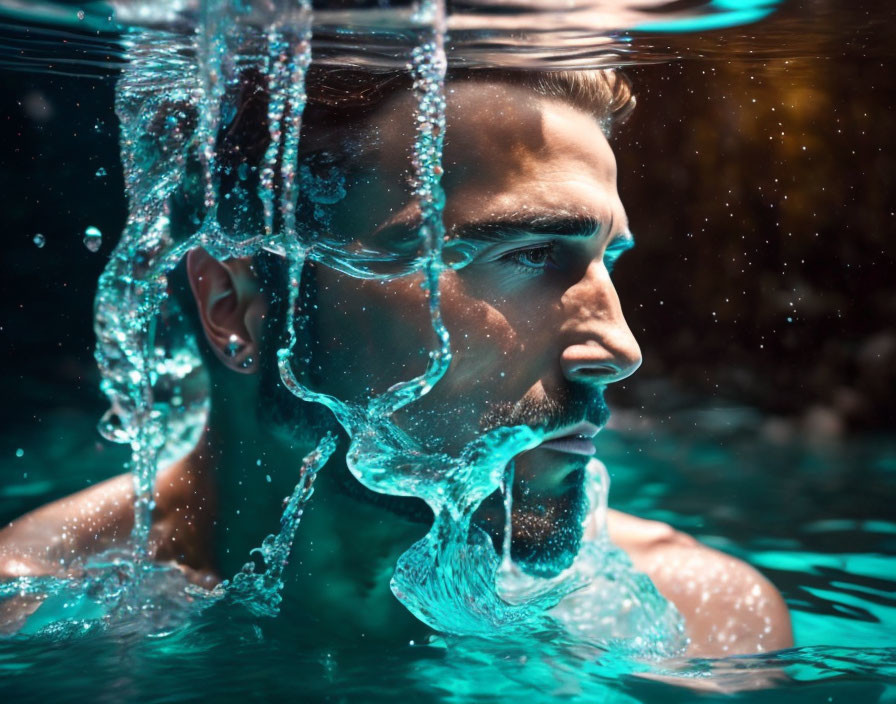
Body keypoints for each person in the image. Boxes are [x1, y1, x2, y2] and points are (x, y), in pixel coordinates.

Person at [0, 66, 792, 656]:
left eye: (602, 262)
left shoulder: (708, 624)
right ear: (235, 305)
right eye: (524, 255)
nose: (620, 350)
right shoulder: (29, 621)